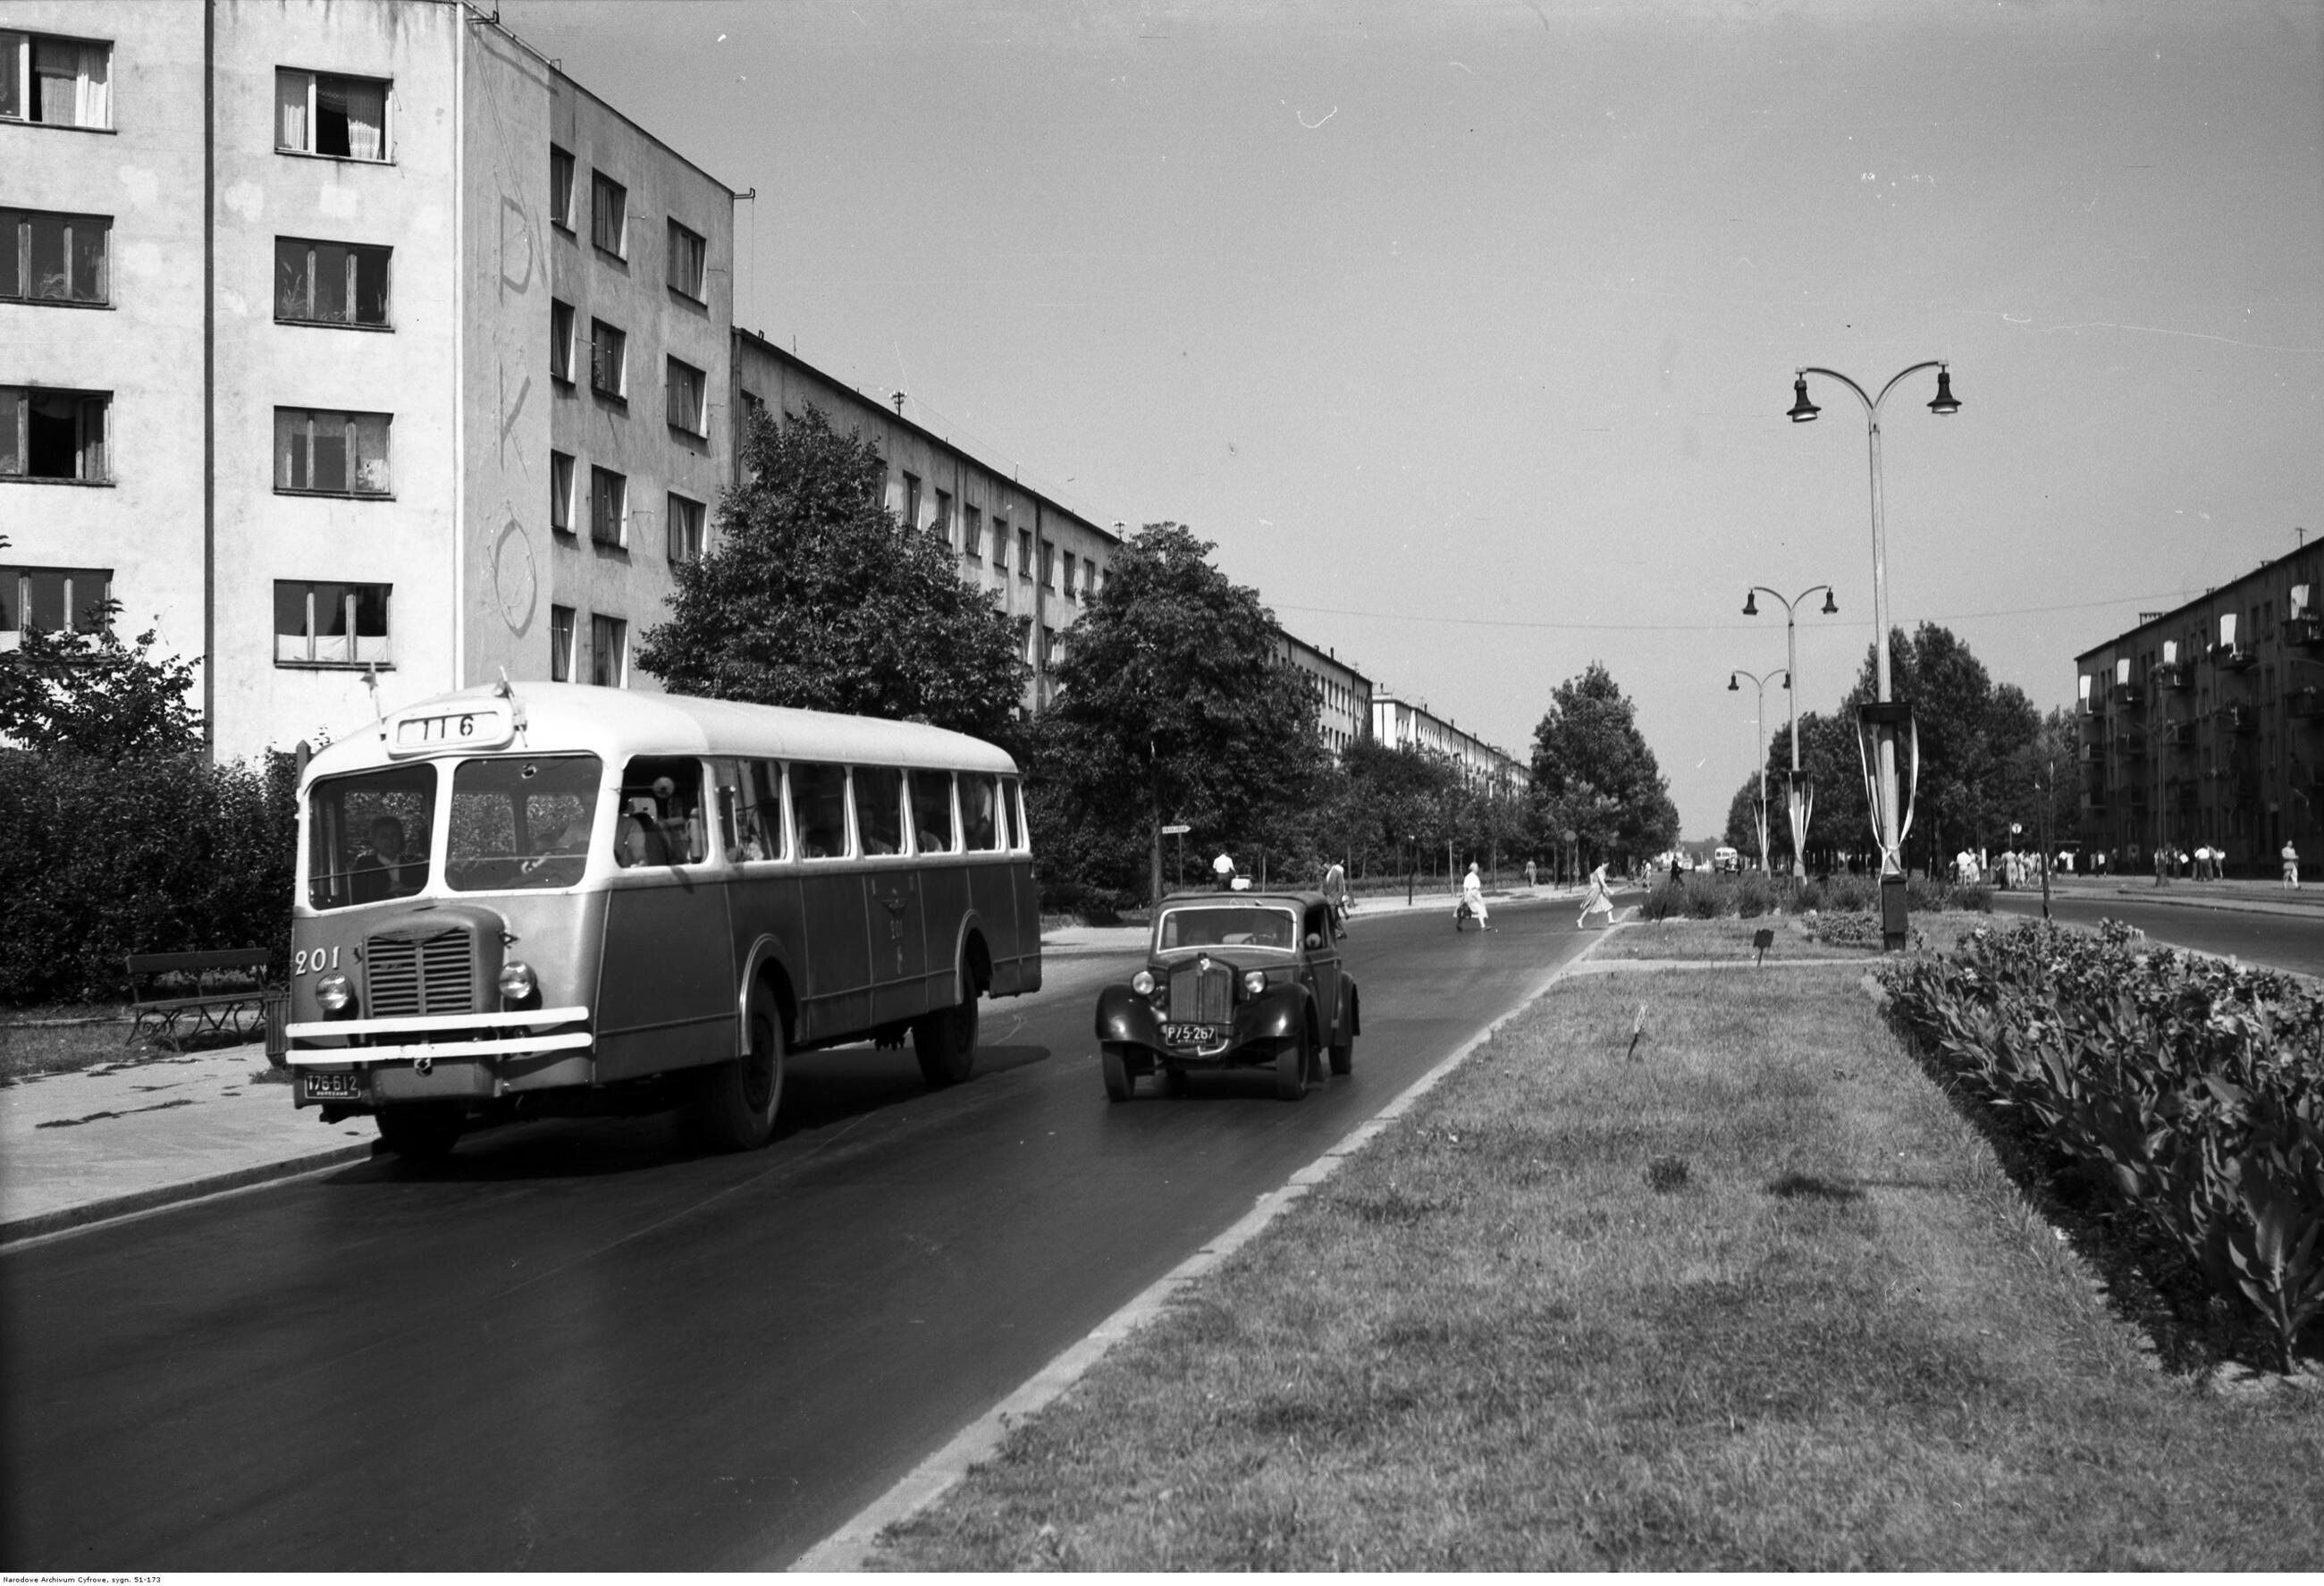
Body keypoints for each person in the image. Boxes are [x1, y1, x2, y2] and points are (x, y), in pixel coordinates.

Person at [349, 814, 414, 904]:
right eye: (384, 836)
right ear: (374, 840)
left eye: (394, 835)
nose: (389, 840)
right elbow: (358, 899)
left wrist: (409, 893)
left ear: (400, 838)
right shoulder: (364, 866)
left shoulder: (414, 863)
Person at [1577, 861, 1615, 929]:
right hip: (1595, 891)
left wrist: (1604, 891)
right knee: (1590, 906)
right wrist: (1609, 890)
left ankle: (1610, 920)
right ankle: (1580, 920)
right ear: (1604, 864)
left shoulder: (1602, 871)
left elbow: (1601, 884)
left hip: (1598, 890)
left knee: (1606, 904)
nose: (1607, 867)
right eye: (1607, 865)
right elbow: (1602, 882)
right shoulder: (1599, 870)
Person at [1460, 860, 1494, 931]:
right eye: (1477, 867)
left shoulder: (1470, 877)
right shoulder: (1470, 877)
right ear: (1474, 868)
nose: (1478, 869)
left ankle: (1460, 923)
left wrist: (1466, 897)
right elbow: (1465, 888)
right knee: (1478, 908)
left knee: (1474, 909)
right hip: (1473, 893)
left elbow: (1466, 888)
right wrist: (1465, 897)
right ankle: (1483, 925)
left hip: (1472, 893)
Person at [1321, 859, 1350, 937]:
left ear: (1329, 866)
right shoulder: (1324, 875)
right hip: (1327, 899)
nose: (1323, 869)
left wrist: (1339, 899)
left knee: (1330, 917)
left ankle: (1327, 934)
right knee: (1336, 918)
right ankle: (1342, 932)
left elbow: (1341, 887)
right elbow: (1323, 888)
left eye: (1324, 867)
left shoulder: (1337, 873)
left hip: (1334, 900)